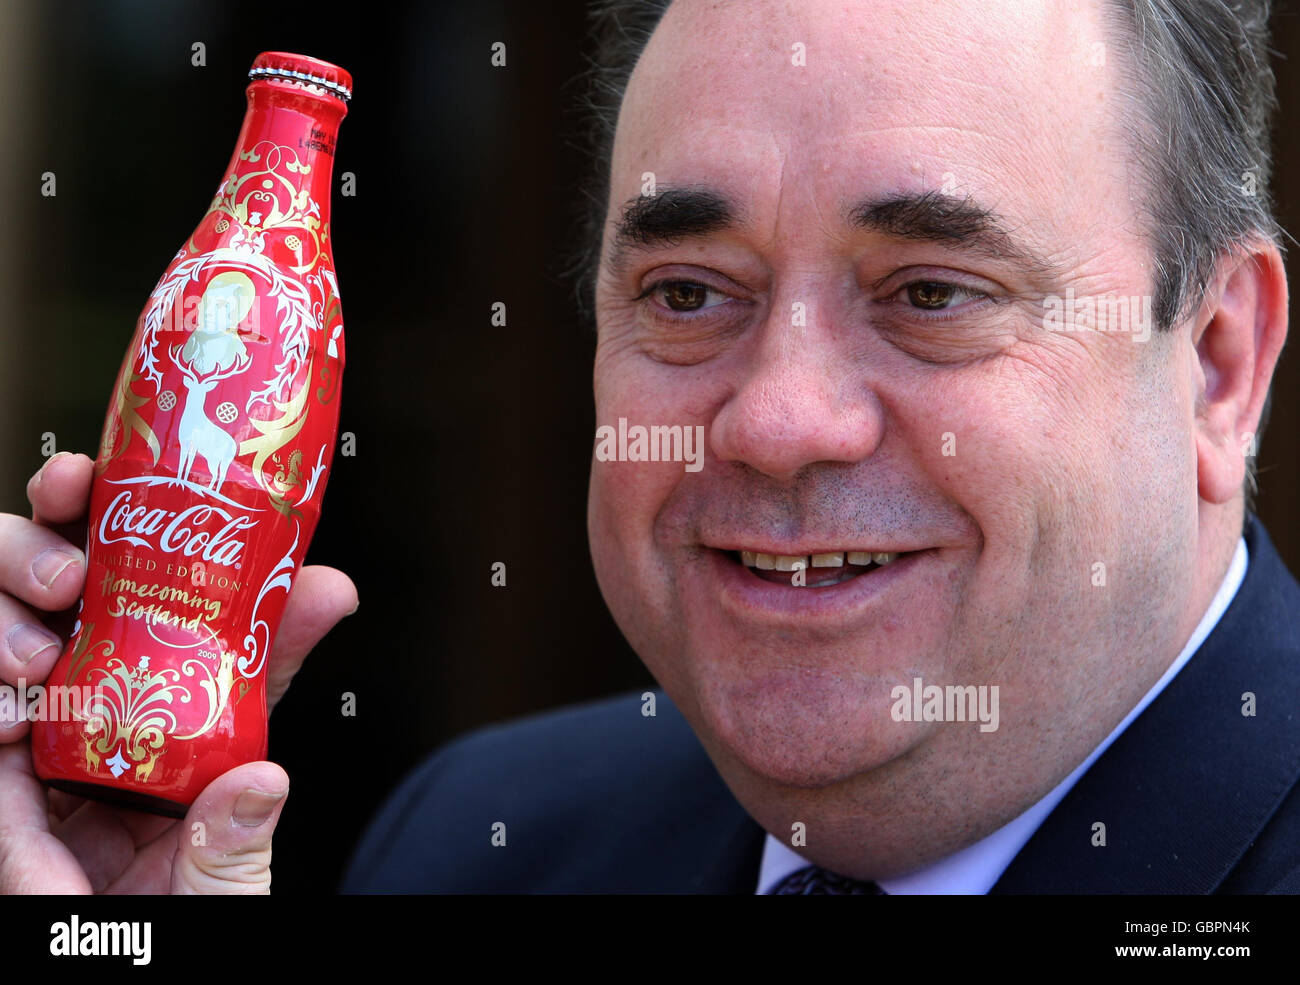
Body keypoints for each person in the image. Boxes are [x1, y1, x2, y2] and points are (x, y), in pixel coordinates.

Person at [0, 0, 1295, 895]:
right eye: (688, 293)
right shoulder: (472, 846)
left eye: (932, 292)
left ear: (1220, 363)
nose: (780, 422)